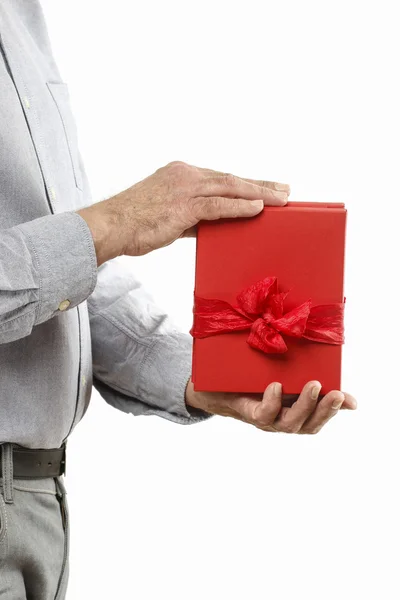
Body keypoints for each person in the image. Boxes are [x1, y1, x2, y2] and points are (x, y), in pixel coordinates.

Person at [0, 1, 357, 598]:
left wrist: (210, 374)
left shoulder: (23, 18)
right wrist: (115, 222)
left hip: (40, 504)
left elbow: (72, 280)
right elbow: (87, 241)